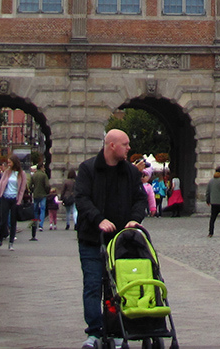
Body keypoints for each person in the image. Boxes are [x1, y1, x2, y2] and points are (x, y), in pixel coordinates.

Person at [74, 129, 147, 349]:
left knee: (118, 288)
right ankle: (94, 332)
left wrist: (135, 219)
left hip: (121, 241)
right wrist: (99, 219)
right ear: (112, 145)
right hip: (92, 239)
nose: (129, 148)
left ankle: (116, 330)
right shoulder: (87, 169)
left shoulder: (131, 173)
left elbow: (140, 199)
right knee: (93, 286)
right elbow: (82, 199)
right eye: (125, 144)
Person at [0, 156, 25, 250]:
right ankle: (0, 240)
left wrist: (19, 201)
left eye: (10, 162)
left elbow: (22, 189)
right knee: (3, 220)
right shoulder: (6, 173)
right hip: (5, 197)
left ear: (14, 162)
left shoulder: (21, 174)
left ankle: (11, 243)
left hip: (14, 198)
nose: (8, 164)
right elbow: (0, 186)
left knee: (13, 222)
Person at [28, 162, 50, 238]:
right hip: (43, 194)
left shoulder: (34, 175)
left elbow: (30, 185)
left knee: (35, 210)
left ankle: (34, 224)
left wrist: (32, 190)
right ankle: (41, 225)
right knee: (42, 209)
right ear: (41, 167)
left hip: (36, 194)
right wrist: (47, 191)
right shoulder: (44, 175)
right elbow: (47, 185)